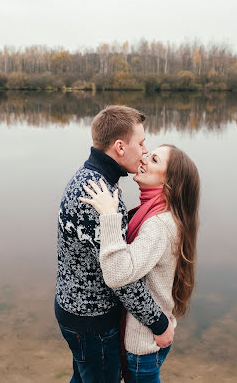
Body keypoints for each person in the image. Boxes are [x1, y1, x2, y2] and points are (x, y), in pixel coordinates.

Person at [55, 106, 175, 383]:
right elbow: (120, 277)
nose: (145, 150)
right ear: (120, 147)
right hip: (91, 319)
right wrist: (159, 323)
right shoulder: (101, 196)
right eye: (141, 143)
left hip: (76, 311)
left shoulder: (90, 178)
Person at [80, 144, 200, 382]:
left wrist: (109, 216)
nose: (144, 158)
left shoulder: (159, 225)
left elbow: (117, 273)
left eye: (154, 160)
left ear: (170, 183)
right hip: (149, 336)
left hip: (143, 344)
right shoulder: (154, 213)